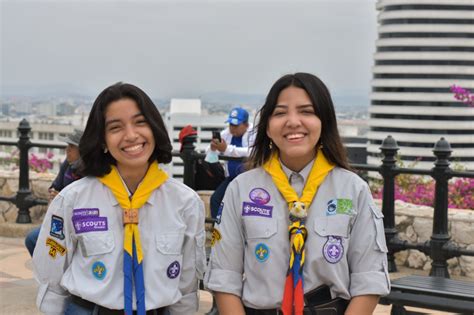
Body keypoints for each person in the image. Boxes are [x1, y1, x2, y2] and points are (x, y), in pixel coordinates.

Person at [204, 73, 390, 315]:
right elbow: (224, 276)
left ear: (324, 122)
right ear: (268, 128)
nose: (293, 121)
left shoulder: (353, 190)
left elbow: (369, 278)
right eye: (280, 113)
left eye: (306, 111)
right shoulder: (241, 189)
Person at [33, 82, 206, 315]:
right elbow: (51, 283)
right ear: (102, 140)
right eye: (116, 127)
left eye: (140, 122)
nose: (131, 135)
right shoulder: (72, 200)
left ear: (154, 128)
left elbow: (186, 288)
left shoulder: (185, 203)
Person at [24, 129, 83, 257]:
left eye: (72, 147)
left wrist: (61, 198)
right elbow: (55, 187)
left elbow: (84, 203)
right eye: (67, 146)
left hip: (78, 224)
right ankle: (47, 273)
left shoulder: (90, 170)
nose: (67, 150)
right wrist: (54, 193)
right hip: (60, 220)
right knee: (32, 239)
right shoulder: (67, 164)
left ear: (82, 150)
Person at [207, 107, 255, 218]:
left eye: (236, 125)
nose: (232, 128)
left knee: (244, 206)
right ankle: (217, 231)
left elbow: (252, 151)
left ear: (246, 125)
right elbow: (208, 151)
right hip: (232, 177)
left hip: (250, 178)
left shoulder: (254, 132)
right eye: (230, 125)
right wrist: (213, 147)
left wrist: (227, 149)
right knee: (215, 199)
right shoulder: (226, 133)